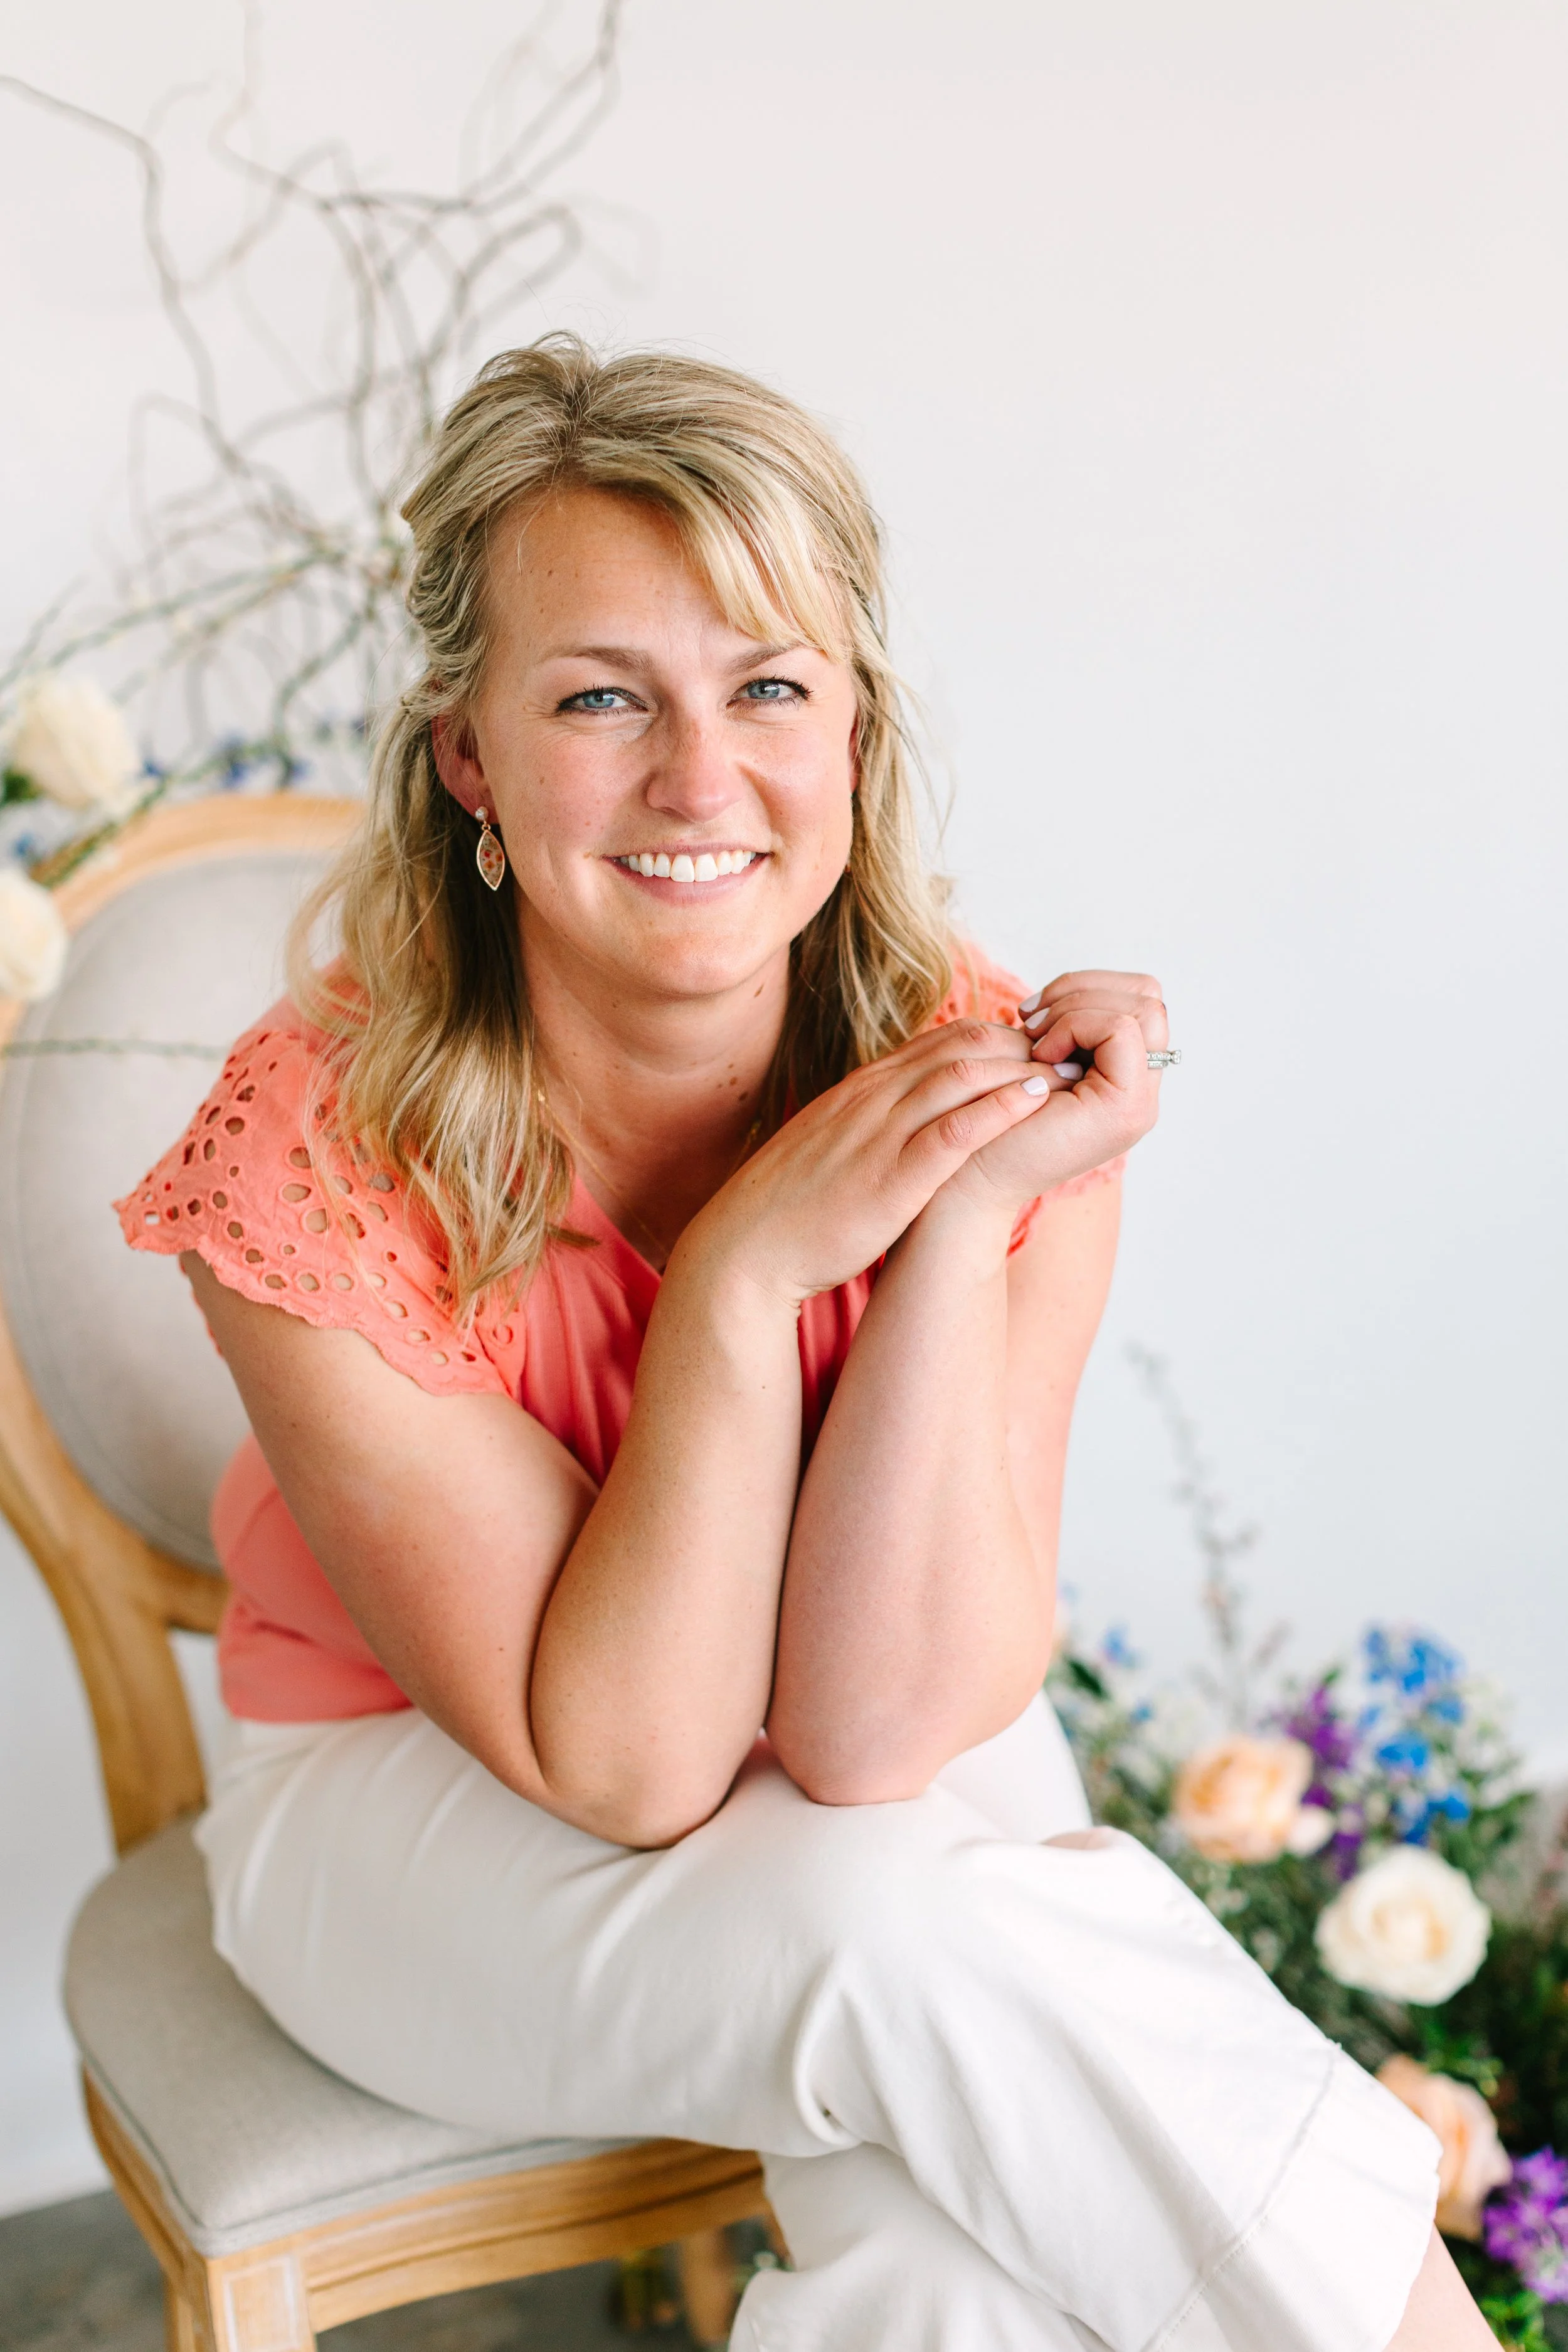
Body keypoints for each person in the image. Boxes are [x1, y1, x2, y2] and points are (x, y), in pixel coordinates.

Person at [121, 337, 1488, 2351]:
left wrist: (945, 1226)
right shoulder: (310, 1147)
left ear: (851, 731)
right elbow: (639, 1759)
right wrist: (748, 1285)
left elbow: (868, 1734)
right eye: (600, 697)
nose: (699, 778)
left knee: (961, 2247)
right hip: (410, 1808)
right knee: (893, 1930)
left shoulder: (992, 1067)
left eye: (769, 686)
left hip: (864, 1779)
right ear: (468, 758)